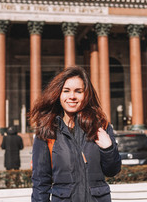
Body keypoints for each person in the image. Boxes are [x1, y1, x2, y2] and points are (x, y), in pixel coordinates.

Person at [31, 66, 121, 202]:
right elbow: (40, 182)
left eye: (78, 91)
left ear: (86, 95)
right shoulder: (47, 130)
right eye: (66, 91)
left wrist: (108, 149)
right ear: (58, 94)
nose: (72, 96)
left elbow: (112, 171)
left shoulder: (100, 125)